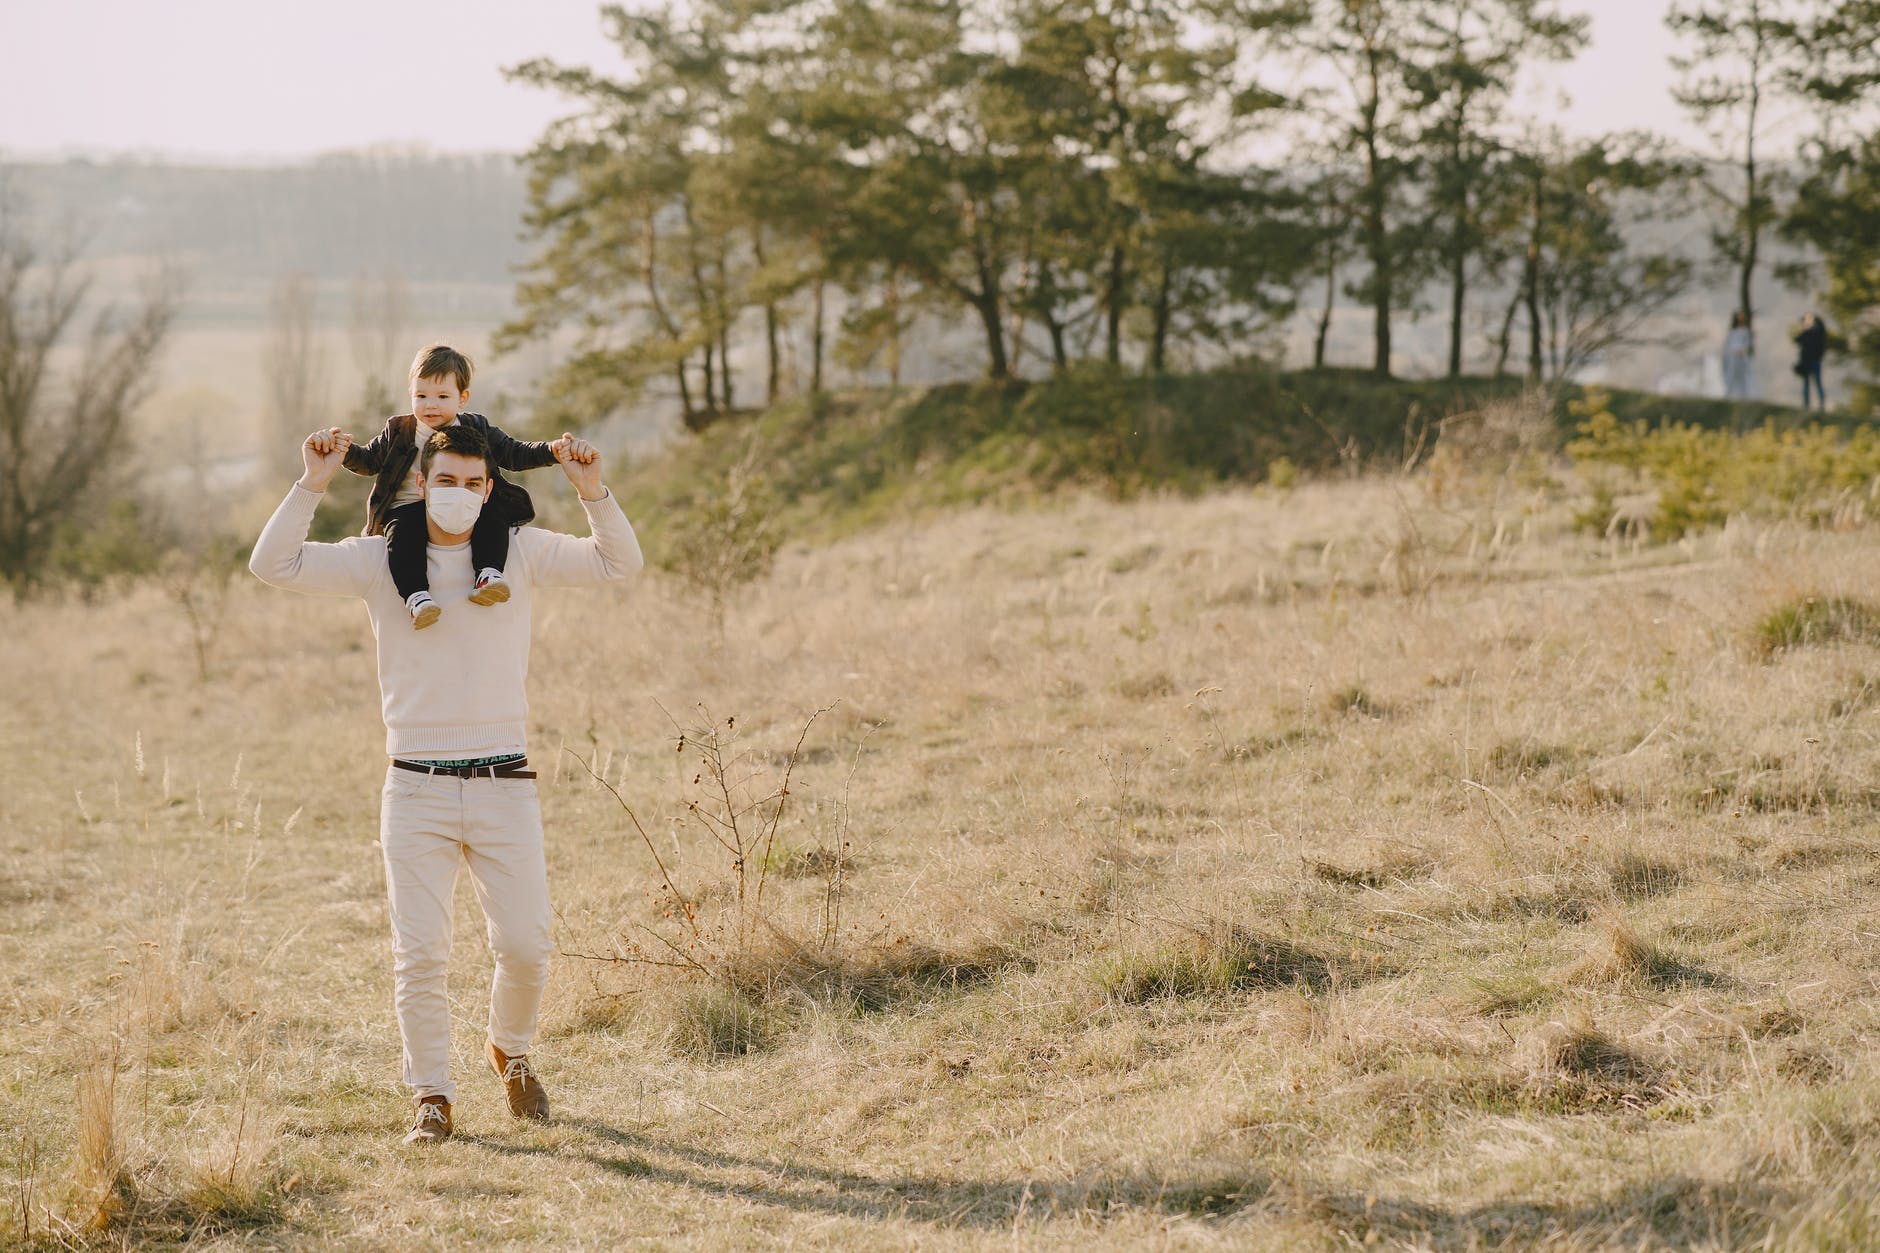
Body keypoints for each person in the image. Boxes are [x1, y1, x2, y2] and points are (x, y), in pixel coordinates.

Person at [249, 420, 643, 1145]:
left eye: (473, 482)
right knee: (421, 953)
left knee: (526, 944)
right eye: (446, 480)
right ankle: (432, 1094)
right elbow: (272, 563)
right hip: (416, 787)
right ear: (422, 482)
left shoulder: (518, 553)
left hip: (505, 780)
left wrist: (595, 494)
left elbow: (620, 564)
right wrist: (312, 481)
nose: (459, 493)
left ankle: (510, 1048)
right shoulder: (379, 561)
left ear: (489, 487)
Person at [342, 344, 563, 629]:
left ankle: (488, 574)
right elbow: (369, 461)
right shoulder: (398, 431)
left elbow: (513, 452)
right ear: (410, 394)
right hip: (410, 506)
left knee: (494, 509)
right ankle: (416, 597)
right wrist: (345, 452)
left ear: (462, 399)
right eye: (421, 396)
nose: (430, 405)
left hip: (465, 503)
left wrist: (552, 451)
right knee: (402, 536)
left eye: (442, 396)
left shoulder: (476, 427)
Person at [1794, 312, 1828, 411]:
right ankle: (1807, 404)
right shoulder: (1807, 332)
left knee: (1815, 383)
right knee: (1809, 383)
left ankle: (1819, 404)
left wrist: (1805, 326)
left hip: (1813, 361)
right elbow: (1797, 340)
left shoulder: (1817, 331)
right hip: (1807, 361)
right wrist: (1803, 328)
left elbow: (1798, 340)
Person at [1722, 310, 1754, 400]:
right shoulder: (1732, 331)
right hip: (1732, 356)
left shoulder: (1746, 331)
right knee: (1731, 375)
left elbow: (1748, 344)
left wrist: (1742, 351)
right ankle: (1729, 393)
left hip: (1741, 357)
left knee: (1743, 376)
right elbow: (1727, 344)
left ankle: (1744, 395)